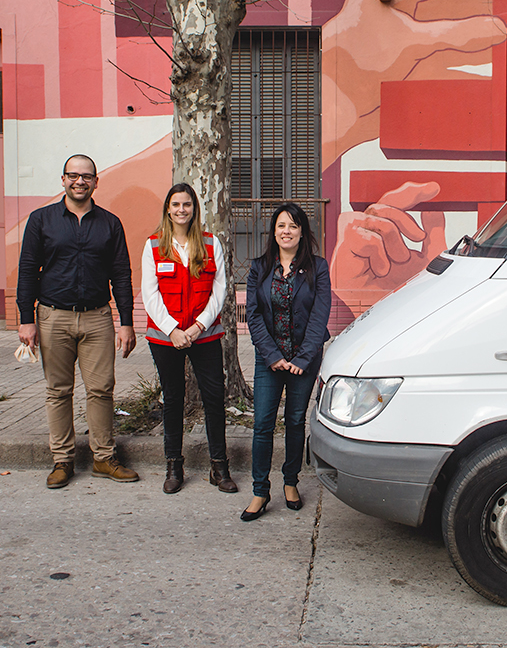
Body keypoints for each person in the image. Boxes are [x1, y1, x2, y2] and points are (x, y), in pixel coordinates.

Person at [17, 154, 139, 489]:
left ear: (96, 182)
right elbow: (28, 270)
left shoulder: (110, 223)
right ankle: (62, 460)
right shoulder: (41, 220)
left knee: (101, 389)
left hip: (98, 318)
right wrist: (26, 319)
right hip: (52, 316)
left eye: (86, 176)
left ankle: (103, 458)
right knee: (58, 390)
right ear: (63, 180)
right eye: (73, 175)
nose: (79, 181)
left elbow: (122, 275)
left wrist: (125, 322)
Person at [141, 183, 238, 495]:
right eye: (176, 205)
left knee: (213, 398)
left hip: (204, 334)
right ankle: (173, 466)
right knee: (173, 399)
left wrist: (197, 327)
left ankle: (219, 466)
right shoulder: (154, 245)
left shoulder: (210, 243)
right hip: (165, 337)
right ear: (168, 209)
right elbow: (150, 292)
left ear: (195, 209)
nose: (181, 210)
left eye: (187, 205)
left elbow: (220, 289)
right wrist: (173, 330)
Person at [241, 203, 330, 520]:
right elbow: (252, 315)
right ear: (273, 232)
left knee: (294, 421)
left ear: (302, 231)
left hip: (304, 361)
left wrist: (303, 358)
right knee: (263, 424)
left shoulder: (317, 267)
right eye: (281, 225)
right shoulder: (258, 268)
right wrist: (274, 356)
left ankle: (290, 481)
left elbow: (320, 316)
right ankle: (259, 491)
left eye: (293, 225)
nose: (286, 231)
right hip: (269, 360)